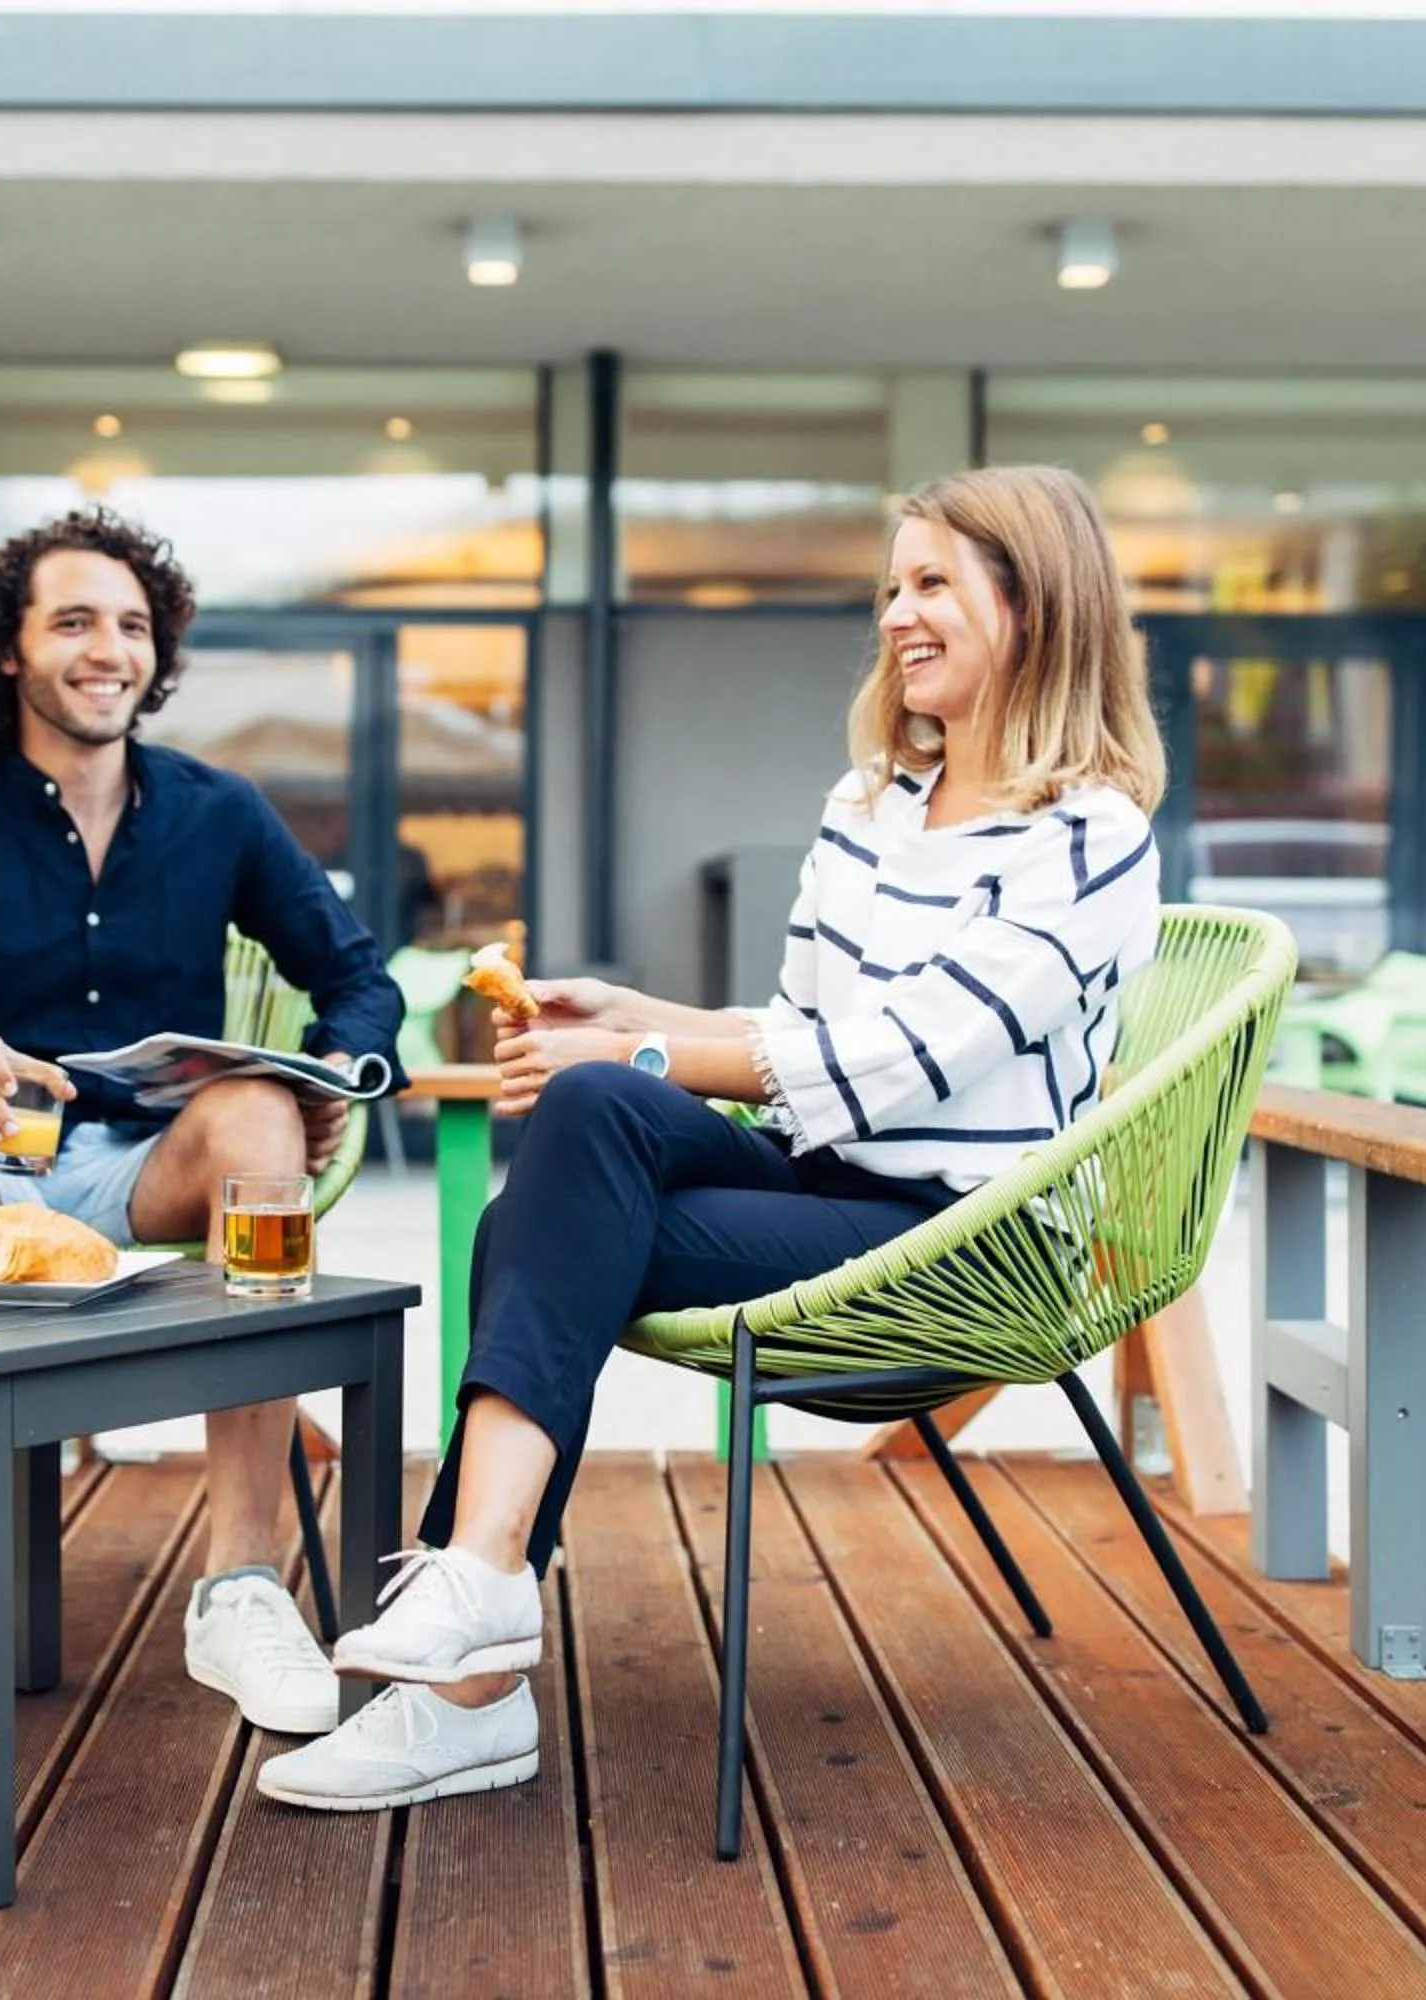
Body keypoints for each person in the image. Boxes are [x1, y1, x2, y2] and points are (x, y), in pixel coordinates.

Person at [257, 465, 1168, 1813]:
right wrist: (635, 1016)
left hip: (962, 1239)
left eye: (933, 584)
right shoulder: (869, 808)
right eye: (892, 588)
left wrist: (635, 1049)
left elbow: (899, 1060)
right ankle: (483, 1594)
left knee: (549, 1210)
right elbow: (800, 1032)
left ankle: (470, 1670)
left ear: (1036, 609)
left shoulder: (1088, 837)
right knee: (586, 1118)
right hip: (823, 1185)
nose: (898, 616)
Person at [0, 507, 405, 1746]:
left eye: (134, 626)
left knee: (256, 1108)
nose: (111, 648)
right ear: (10, 649)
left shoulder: (222, 812)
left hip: (151, 1173)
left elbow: (358, 977)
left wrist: (330, 1067)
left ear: (158, 657)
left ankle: (242, 1587)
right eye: (76, 621)